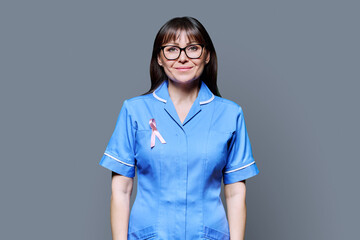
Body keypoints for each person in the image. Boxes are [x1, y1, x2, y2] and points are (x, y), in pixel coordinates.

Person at [99, 16, 259, 240]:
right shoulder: (134, 111)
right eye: (172, 49)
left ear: (207, 55)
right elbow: (121, 190)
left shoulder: (230, 114)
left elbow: (235, 193)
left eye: (193, 48)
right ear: (159, 58)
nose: (182, 57)